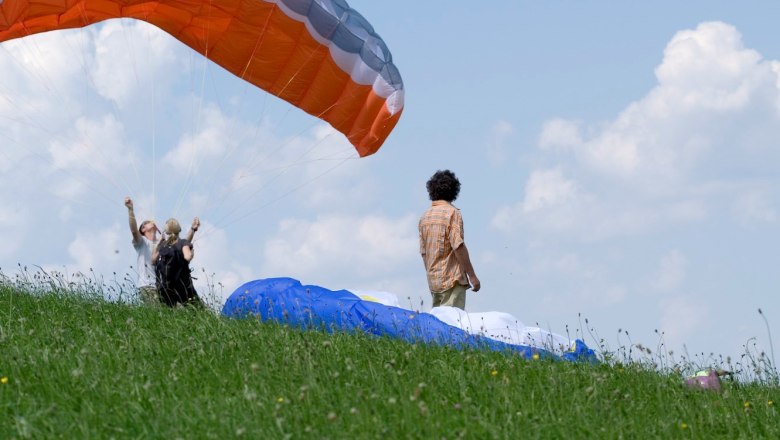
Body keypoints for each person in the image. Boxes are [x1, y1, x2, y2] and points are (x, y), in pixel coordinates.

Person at [418, 170, 480, 311]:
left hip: (434, 282)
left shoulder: (424, 217)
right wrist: (472, 276)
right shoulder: (452, 213)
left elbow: (423, 253)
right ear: (454, 191)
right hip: (452, 280)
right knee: (453, 325)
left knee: (438, 327)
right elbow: (458, 246)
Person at [125, 197, 199, 305]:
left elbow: (183, 244)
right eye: (148, 222)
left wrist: (193, 229)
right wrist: (130, 209)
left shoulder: (163, 244)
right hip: (148, 286)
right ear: (143, 229)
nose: (152, 221)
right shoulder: (142, 243)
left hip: (163, 287)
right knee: (159, 314)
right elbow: (133, 230)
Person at [152, 218, 203, 307]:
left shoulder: (163, 246)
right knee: (198, 311)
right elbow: (187, 256)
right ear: (179, 229)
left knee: (170, 314)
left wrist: (158, 243)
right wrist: (191, 253)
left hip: (165, 288)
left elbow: (153, 260)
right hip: (183, 287)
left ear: (166, 231)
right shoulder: (183, 243)